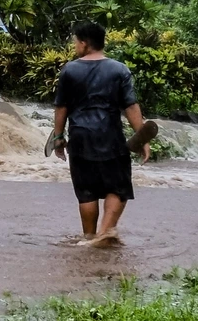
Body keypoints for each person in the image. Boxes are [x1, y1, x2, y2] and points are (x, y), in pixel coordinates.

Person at [48, 22, 150, 247]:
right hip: (110, 135)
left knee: (86, 190)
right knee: (118, 185)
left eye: (76, 42)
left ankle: (89, 237)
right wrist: (142, 137)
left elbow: (61, 107)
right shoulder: (119, 69)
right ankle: (106, 231)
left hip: (80, 136)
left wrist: (58, 138)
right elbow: (130, 106)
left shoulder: (70, 70)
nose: (75, 46)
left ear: (84, 43)